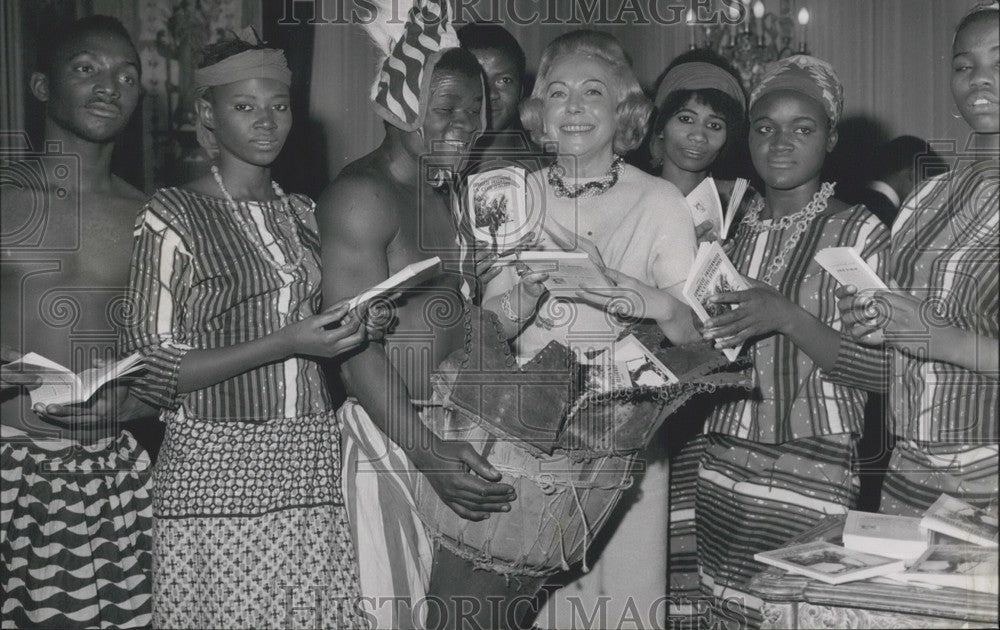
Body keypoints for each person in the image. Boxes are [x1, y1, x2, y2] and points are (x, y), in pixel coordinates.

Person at [119, 31, 367, 628]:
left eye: (278, 106)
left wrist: (358, 321)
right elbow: (152, 365)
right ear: (208, 115)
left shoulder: (305, 213)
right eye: (244, 106)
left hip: (307, 455)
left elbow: (322, 334)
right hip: (215, 467)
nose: (267, 122)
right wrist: (288, 341)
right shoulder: (172, 215)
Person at [319, 42, 548, 628]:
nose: (465, 125)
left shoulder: (446, 192)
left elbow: (452, 323)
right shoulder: (362, 195)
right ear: (401, 104)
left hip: (449, 433)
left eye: (475, 110)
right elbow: (351, 352)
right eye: (445, 107)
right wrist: (426, 452)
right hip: (389, 438)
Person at [494, 30, 699, 630]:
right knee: (539, 602)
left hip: (627, 426)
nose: (574, 107)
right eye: (557, 93)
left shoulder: (662, 202)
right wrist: (524, 295)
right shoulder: (513, 195)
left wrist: (649, 299)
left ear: (624, 111)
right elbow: (489, 328)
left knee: (625, 603)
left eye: (593, 92)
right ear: (539, 113)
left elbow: (696, 339)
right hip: (531, 427)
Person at [690, 55, 890, 627]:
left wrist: (787, 316)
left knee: (792, 612)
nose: (780, 143)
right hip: (722, 456)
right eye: (765, 127)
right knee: (721, 612)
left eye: (803, 128)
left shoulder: (858, 231)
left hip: (815, 461)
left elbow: (884, 373)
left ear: (830, 138)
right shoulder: (726, 228)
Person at [0, 16, 154, 628]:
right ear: (41, 86)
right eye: (87, 68)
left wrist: (134, 408)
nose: (110, 85)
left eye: (127, 75)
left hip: (110, 475)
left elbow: (178, 359)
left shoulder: (151, 216)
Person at [832, 3, 998, 518]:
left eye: (999, 61)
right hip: (907, 468)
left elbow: (941, 331)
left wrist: (936, 336)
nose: (978, 79)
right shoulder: (929, 195)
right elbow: (918, 322)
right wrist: (880, 320)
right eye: (963, 65)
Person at [649, 48, 751, 238]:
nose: (699, 136)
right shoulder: (633, 195)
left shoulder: (742, 203)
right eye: (686, 119)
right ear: (661, 126)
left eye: (714, 125)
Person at [857, 135, 943, 227]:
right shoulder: (895, 222)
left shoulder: (850, 200)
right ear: (913, 175)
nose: (927, 193)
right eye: (927, 183)